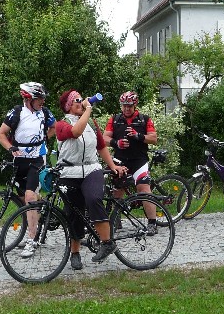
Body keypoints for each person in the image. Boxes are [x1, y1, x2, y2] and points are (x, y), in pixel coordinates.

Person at [55, 89, 126, 269]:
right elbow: (76, 132)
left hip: (91, 169)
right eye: (76, 100)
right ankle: (75, 252)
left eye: (81, 99)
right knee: (74, 213)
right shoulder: (61, 124)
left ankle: (107, 242)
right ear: (68, 106)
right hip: (70, 172)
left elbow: (101, 146)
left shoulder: (91, 123)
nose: (81, 102)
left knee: (94, 199)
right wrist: (87, 110)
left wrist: (112, 166)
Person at [0, 82, 56, 258]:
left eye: (43, 98)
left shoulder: (44, 112)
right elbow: (1, 134)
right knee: (25, 198)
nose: (42, 102)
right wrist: (9, 148)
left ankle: (32, 239)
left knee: (30, 197)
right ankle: (41, 211)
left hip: (38, 158)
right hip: (19, 159)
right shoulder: (17, 112)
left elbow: (54, 127)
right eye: (39, 99)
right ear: (28, 99)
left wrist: (45, 137)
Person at [103, 91, 159, 233]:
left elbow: (153, 138)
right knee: (117, 190)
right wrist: (117, 143)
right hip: (120, 161)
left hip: (139, 161)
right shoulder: (114, 119)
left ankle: (152, 223)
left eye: (129, 106)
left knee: (144, 189)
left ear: (135, 105)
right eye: (124, 106)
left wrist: (138, 136)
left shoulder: (144, 119)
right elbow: (104, 139)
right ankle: (116, 220)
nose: (126, 109)